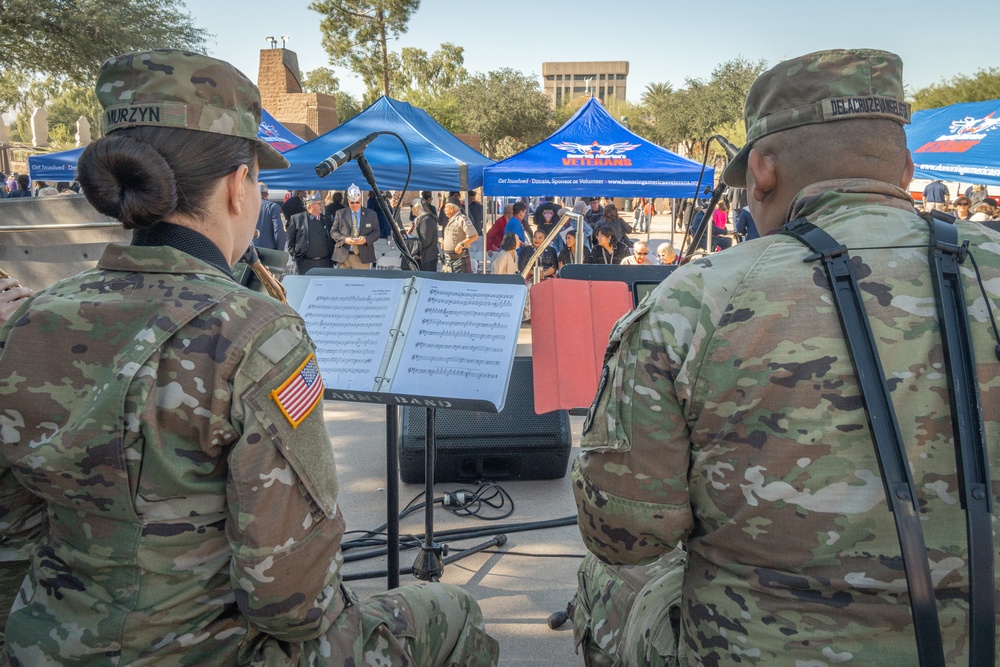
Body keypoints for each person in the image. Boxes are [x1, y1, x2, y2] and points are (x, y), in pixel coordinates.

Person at [0, 48, 498, 666]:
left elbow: (12, 537)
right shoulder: (254, 333)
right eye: (259, 179)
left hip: (42, 642)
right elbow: (293, 603)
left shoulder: (30, 320)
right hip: (211, 651)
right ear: (240, 185)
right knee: (451, 612)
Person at [572, 47, 1000, 666]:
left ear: (764, 172)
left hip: (756, 650)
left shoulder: (697, 298)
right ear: (905, 167)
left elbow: (625, 534)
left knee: (607, 580)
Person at [333, 184, 380, 269]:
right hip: (344, 255)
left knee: (361, 281)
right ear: (348, 201)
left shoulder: (371, 214)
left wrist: (366, 239)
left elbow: (376, 232)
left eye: (357, 202)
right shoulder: (340, 213)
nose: (355, 205)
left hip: (362, 256)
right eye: (352, 203)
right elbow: (333, 232)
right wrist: (345, 239)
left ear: (360, 200)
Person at [286, 192, 334, 274]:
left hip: (325, 262)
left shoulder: (326, 219)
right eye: (319, 204)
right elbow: (290, 238)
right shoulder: (297, 219)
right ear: (311, 206)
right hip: (305, 263)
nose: (322, 206)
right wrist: (293, 252)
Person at [441, 201, 479, 273]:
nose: (444, 210)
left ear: (452, 209)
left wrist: (461, 244)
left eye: (446, 208)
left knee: (460, 281)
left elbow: (474, 236)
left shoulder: (462, 219)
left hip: (459, 258)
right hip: (448, 259)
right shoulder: (450, 220)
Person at [408, 197, 440, 272]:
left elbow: (425, 241)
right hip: (422, 257)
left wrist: (410, 241)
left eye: (411, 207)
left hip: (427, 258)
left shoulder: (426, 220)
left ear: (417, 207)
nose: (411, 209)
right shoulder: (422, 219)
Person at [254, 182, 286, 251]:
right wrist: (280, 250)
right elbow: (278, 230)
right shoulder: (273, 207)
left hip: (248, 251)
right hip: (268, 251)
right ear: (266, 195)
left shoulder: (244, 207)